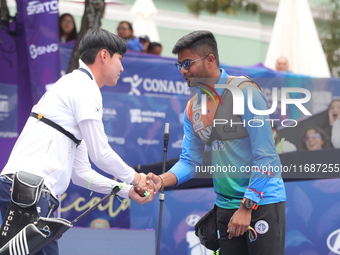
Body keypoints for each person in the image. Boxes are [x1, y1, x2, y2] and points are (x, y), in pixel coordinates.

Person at [0, 28, 155, 255]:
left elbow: (81, 173)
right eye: (119, 59)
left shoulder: (74, 85)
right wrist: (138, 178)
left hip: (25, 192)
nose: (122, 67)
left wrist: (126, 189)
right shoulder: (83, 86)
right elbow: (100, 154)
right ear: (104, 55)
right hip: (26, 193)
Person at [146, 30, 286, 255]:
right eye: (179, 65)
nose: (183, 70)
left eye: (188, 63)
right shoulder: (193, 106)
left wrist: (246, 206)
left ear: (210, 59)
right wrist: (160, 181)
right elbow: (190, 162)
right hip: (225, 207)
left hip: (261, 203)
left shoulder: (245, 92)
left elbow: (267, 156)